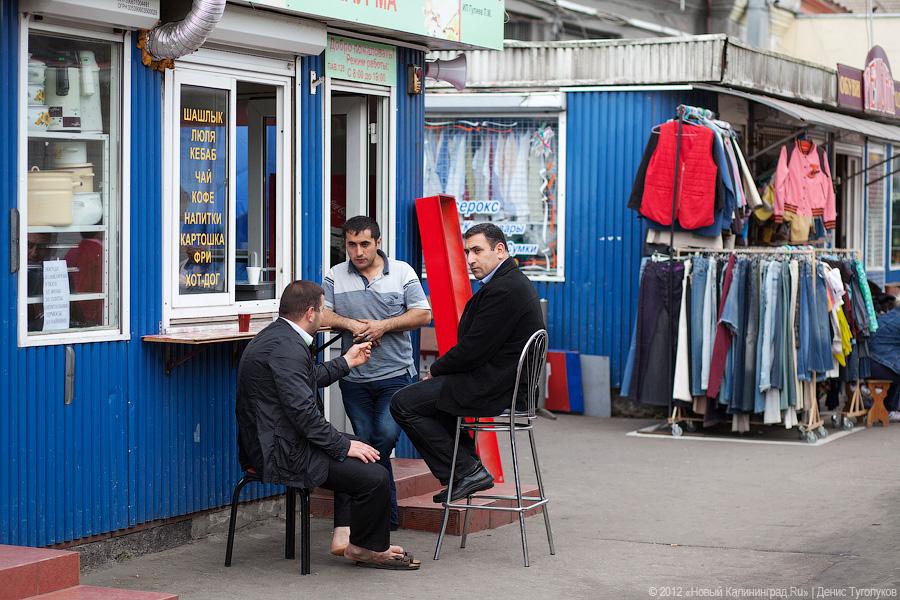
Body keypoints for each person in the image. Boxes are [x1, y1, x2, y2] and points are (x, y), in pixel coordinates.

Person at [236, 280, 420, 570]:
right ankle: (368, 548)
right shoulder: (287, 348)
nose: (324, 315)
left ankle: (346, 535)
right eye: (322, 310)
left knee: (363, 451)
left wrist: (347, 361)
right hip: (281, 452)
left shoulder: (278, 336)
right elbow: (303, 413)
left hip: (276, 441)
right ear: (310, 313)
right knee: (374, 474)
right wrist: (342, 445)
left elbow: (307, 379)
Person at [390, 223, 544, 503]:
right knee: (435, 400)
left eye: (477, 251)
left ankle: (466, 470)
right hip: (500, 381)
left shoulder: (505, 289)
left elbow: (473, 349)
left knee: (403, 403)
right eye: (467, 252)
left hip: (497, 386)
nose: (470, 259)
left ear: (500, 250)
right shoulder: (509, 282)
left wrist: (435, 370)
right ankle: (467, 470)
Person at [322, 216, 432, 530]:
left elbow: (423, 314)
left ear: (378, 243)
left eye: (365, 244)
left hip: (396, 375)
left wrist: (383, 326)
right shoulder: (335, 275)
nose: (358, 252)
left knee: (382, 438)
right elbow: (323, 315)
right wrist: (351, 324)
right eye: (351, 245)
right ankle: (385, 519)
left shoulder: (402, 272)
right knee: (369, 445)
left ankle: (359, 510)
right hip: (354, 378)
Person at [868, 299, 900, 421]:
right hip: (878, 363)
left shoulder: (892, 314)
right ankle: (890, 409)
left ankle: (889, 408)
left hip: (869, 362)